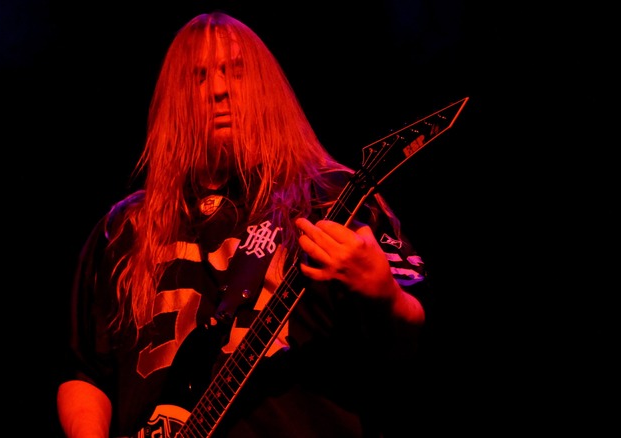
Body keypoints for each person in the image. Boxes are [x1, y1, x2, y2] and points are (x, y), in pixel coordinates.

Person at [57, 11, 428, 438]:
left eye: (234, 72)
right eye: (198, 77)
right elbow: (85, 372)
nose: (217, 90)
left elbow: (413, 343)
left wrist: (385, 295)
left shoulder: (333, 197)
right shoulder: (123, 227)